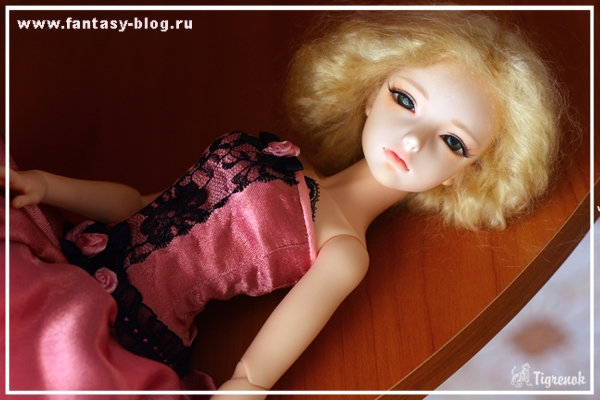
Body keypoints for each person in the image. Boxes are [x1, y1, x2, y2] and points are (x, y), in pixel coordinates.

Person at [4, 10, 561, 399]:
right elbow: (143, 204)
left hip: (123, 329)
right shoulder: (281, 155)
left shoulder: (344, 251)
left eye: (454, 142)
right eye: (405, 99)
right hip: (72, 258)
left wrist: (242, 389)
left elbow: (255, 372)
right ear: (371, 92)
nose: (413, 141)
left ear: (468, 175)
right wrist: (48, 187)